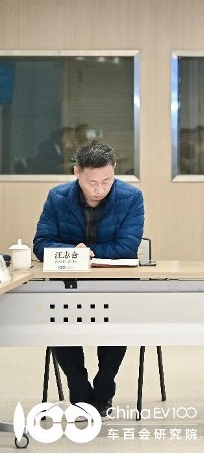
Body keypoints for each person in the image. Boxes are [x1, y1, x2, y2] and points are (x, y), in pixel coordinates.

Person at [33, 140, 145, 418]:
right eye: (91, 182)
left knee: (118, 321)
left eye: (107, 181)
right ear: (77, 172)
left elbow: (127, 247)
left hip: (114, 283)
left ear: (114, 169)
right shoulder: (57, 197)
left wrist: (87, 253)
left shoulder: (131, 197)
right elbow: (41, 243)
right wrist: (73, 252)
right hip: (67, 284)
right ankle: (78, 386)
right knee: (59, 321)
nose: (99, 189)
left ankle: (105, 386)